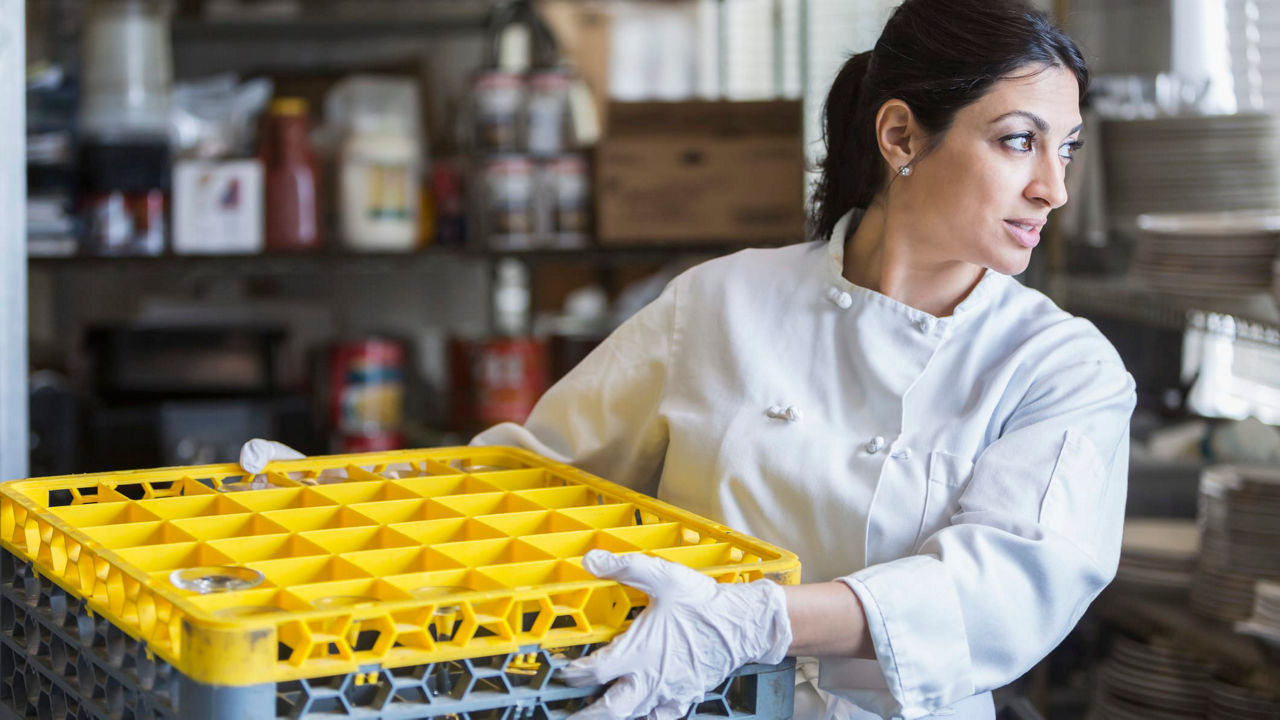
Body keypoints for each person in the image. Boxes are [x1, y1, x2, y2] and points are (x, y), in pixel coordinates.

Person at [243, 1, 1135, 718]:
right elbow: (537, 477)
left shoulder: (1060, 368)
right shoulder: (724, 303)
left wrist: (755, 620)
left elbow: (1003, 589)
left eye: (1066, 149)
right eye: (1019, 140)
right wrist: (350, 509)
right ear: (900, 137)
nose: (1052, 187)